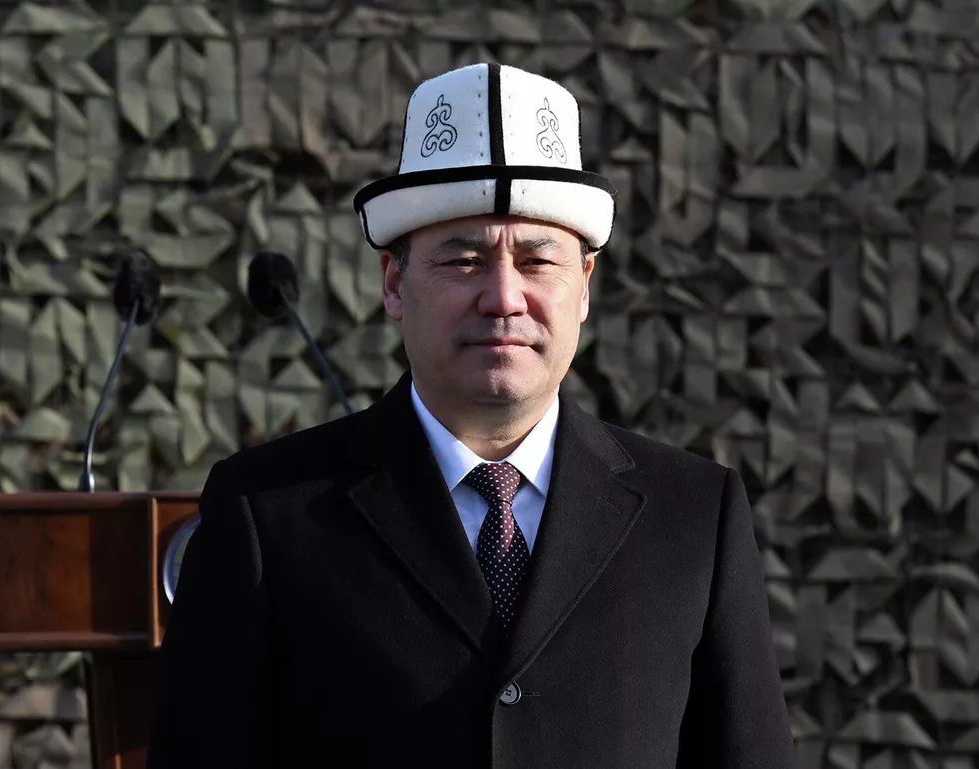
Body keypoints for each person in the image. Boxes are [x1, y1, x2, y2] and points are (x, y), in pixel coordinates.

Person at [146, 64, 794, 768]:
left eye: (537, 260)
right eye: (464, 260)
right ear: (395, 283)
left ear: (584, 286)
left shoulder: (694, 516)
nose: (504, 297)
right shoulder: (269, 512)